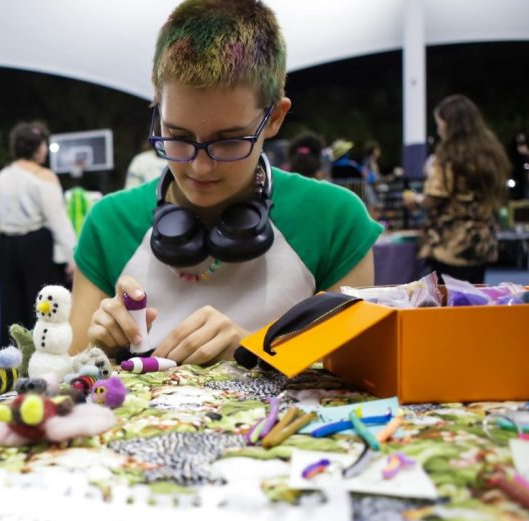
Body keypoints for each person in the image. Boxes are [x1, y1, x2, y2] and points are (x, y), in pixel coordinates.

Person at [69, 0, 381, 366]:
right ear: (158, 108)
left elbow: (361, 376)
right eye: (178, 135)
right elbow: (67, 372)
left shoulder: (335, 220)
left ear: (275, 118)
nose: (200, 167)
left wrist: (254, 351)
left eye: (230, 140)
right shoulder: (109, 223)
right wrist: (101, 347)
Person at [0, 121, 78, 348]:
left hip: (7, 246)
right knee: (41, 306)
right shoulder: (44, 176)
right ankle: (43, 354)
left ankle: (11, 356)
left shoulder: (1, 177)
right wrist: (72, 256)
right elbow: (58, 219)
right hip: (36, 246)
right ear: (38, 148)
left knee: (11, 307)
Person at [403, 95, 511, 284]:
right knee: (476, 297)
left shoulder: (449, 156)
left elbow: (435, 197)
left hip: (451, 245)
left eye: (440, 123)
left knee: (447, 301)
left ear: (450, 124)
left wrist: (415, 200)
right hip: (481, 243)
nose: (438, 129)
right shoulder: (492, 154)